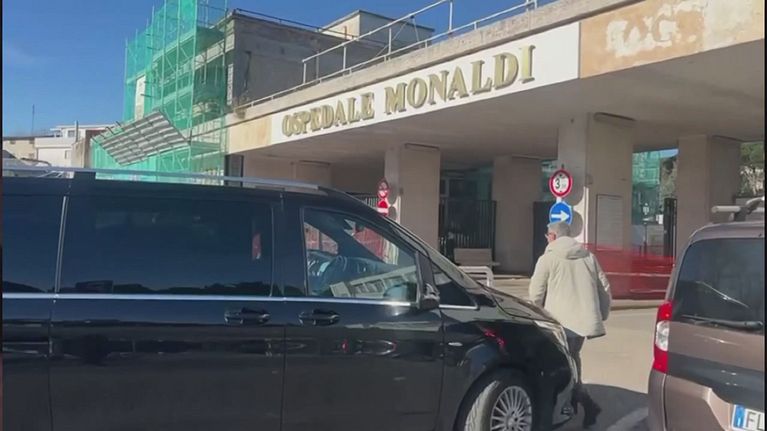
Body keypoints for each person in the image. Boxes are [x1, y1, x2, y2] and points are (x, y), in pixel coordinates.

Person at [529, 221, 611, 428]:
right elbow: (604, 288)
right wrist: (601, 315)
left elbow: (535, 295)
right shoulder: (588, 257)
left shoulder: (547, 259)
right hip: (582, 325)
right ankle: (576, 405)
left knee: (560, 368)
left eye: (547, 235)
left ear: (553, 236)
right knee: (572, 362)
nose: (546, 239)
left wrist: (536, 318)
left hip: (558, 325)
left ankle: (579, 406)